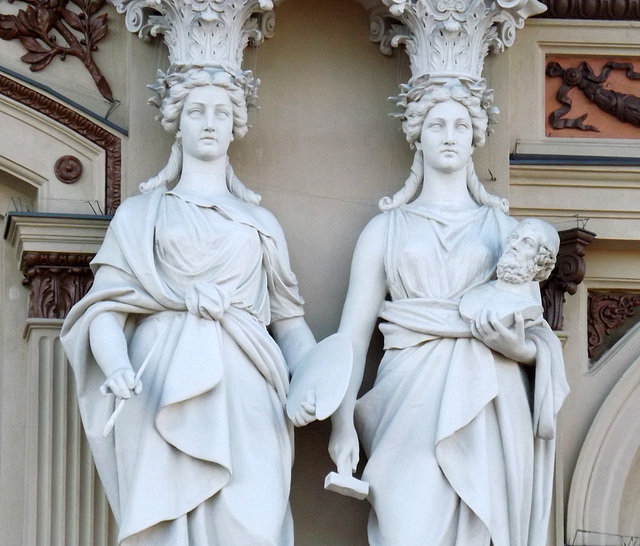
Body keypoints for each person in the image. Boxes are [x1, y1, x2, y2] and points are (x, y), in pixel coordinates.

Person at [61, 67, 317, 546]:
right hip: (162, 386)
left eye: (222, 113)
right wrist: (116, 366)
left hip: (248, 388)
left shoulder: (261, 224)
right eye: (196, 111)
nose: (209, 122)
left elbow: (290, 324)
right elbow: (105, 310)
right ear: (177, 122)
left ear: (235, 125)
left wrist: (316, 381)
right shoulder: (142, 215)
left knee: (254, 522)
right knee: (167, 523)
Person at [328, 79, 569, 546]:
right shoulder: (385, 230)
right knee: (406, 528)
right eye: (437, 124)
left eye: (461, 124)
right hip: (406, 399)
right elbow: (351, 340)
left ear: (476, 135)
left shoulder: (505, 229)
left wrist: (517, 348)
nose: (449, 135)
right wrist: (340, 425)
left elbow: (536, 335)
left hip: (488, 403)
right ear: (418, 134)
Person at [459, 218, 561, 330]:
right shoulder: (474, 292)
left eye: (527, 243)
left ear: (542, 261)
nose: (514, 245)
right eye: (514, 237)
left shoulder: (527, 307)